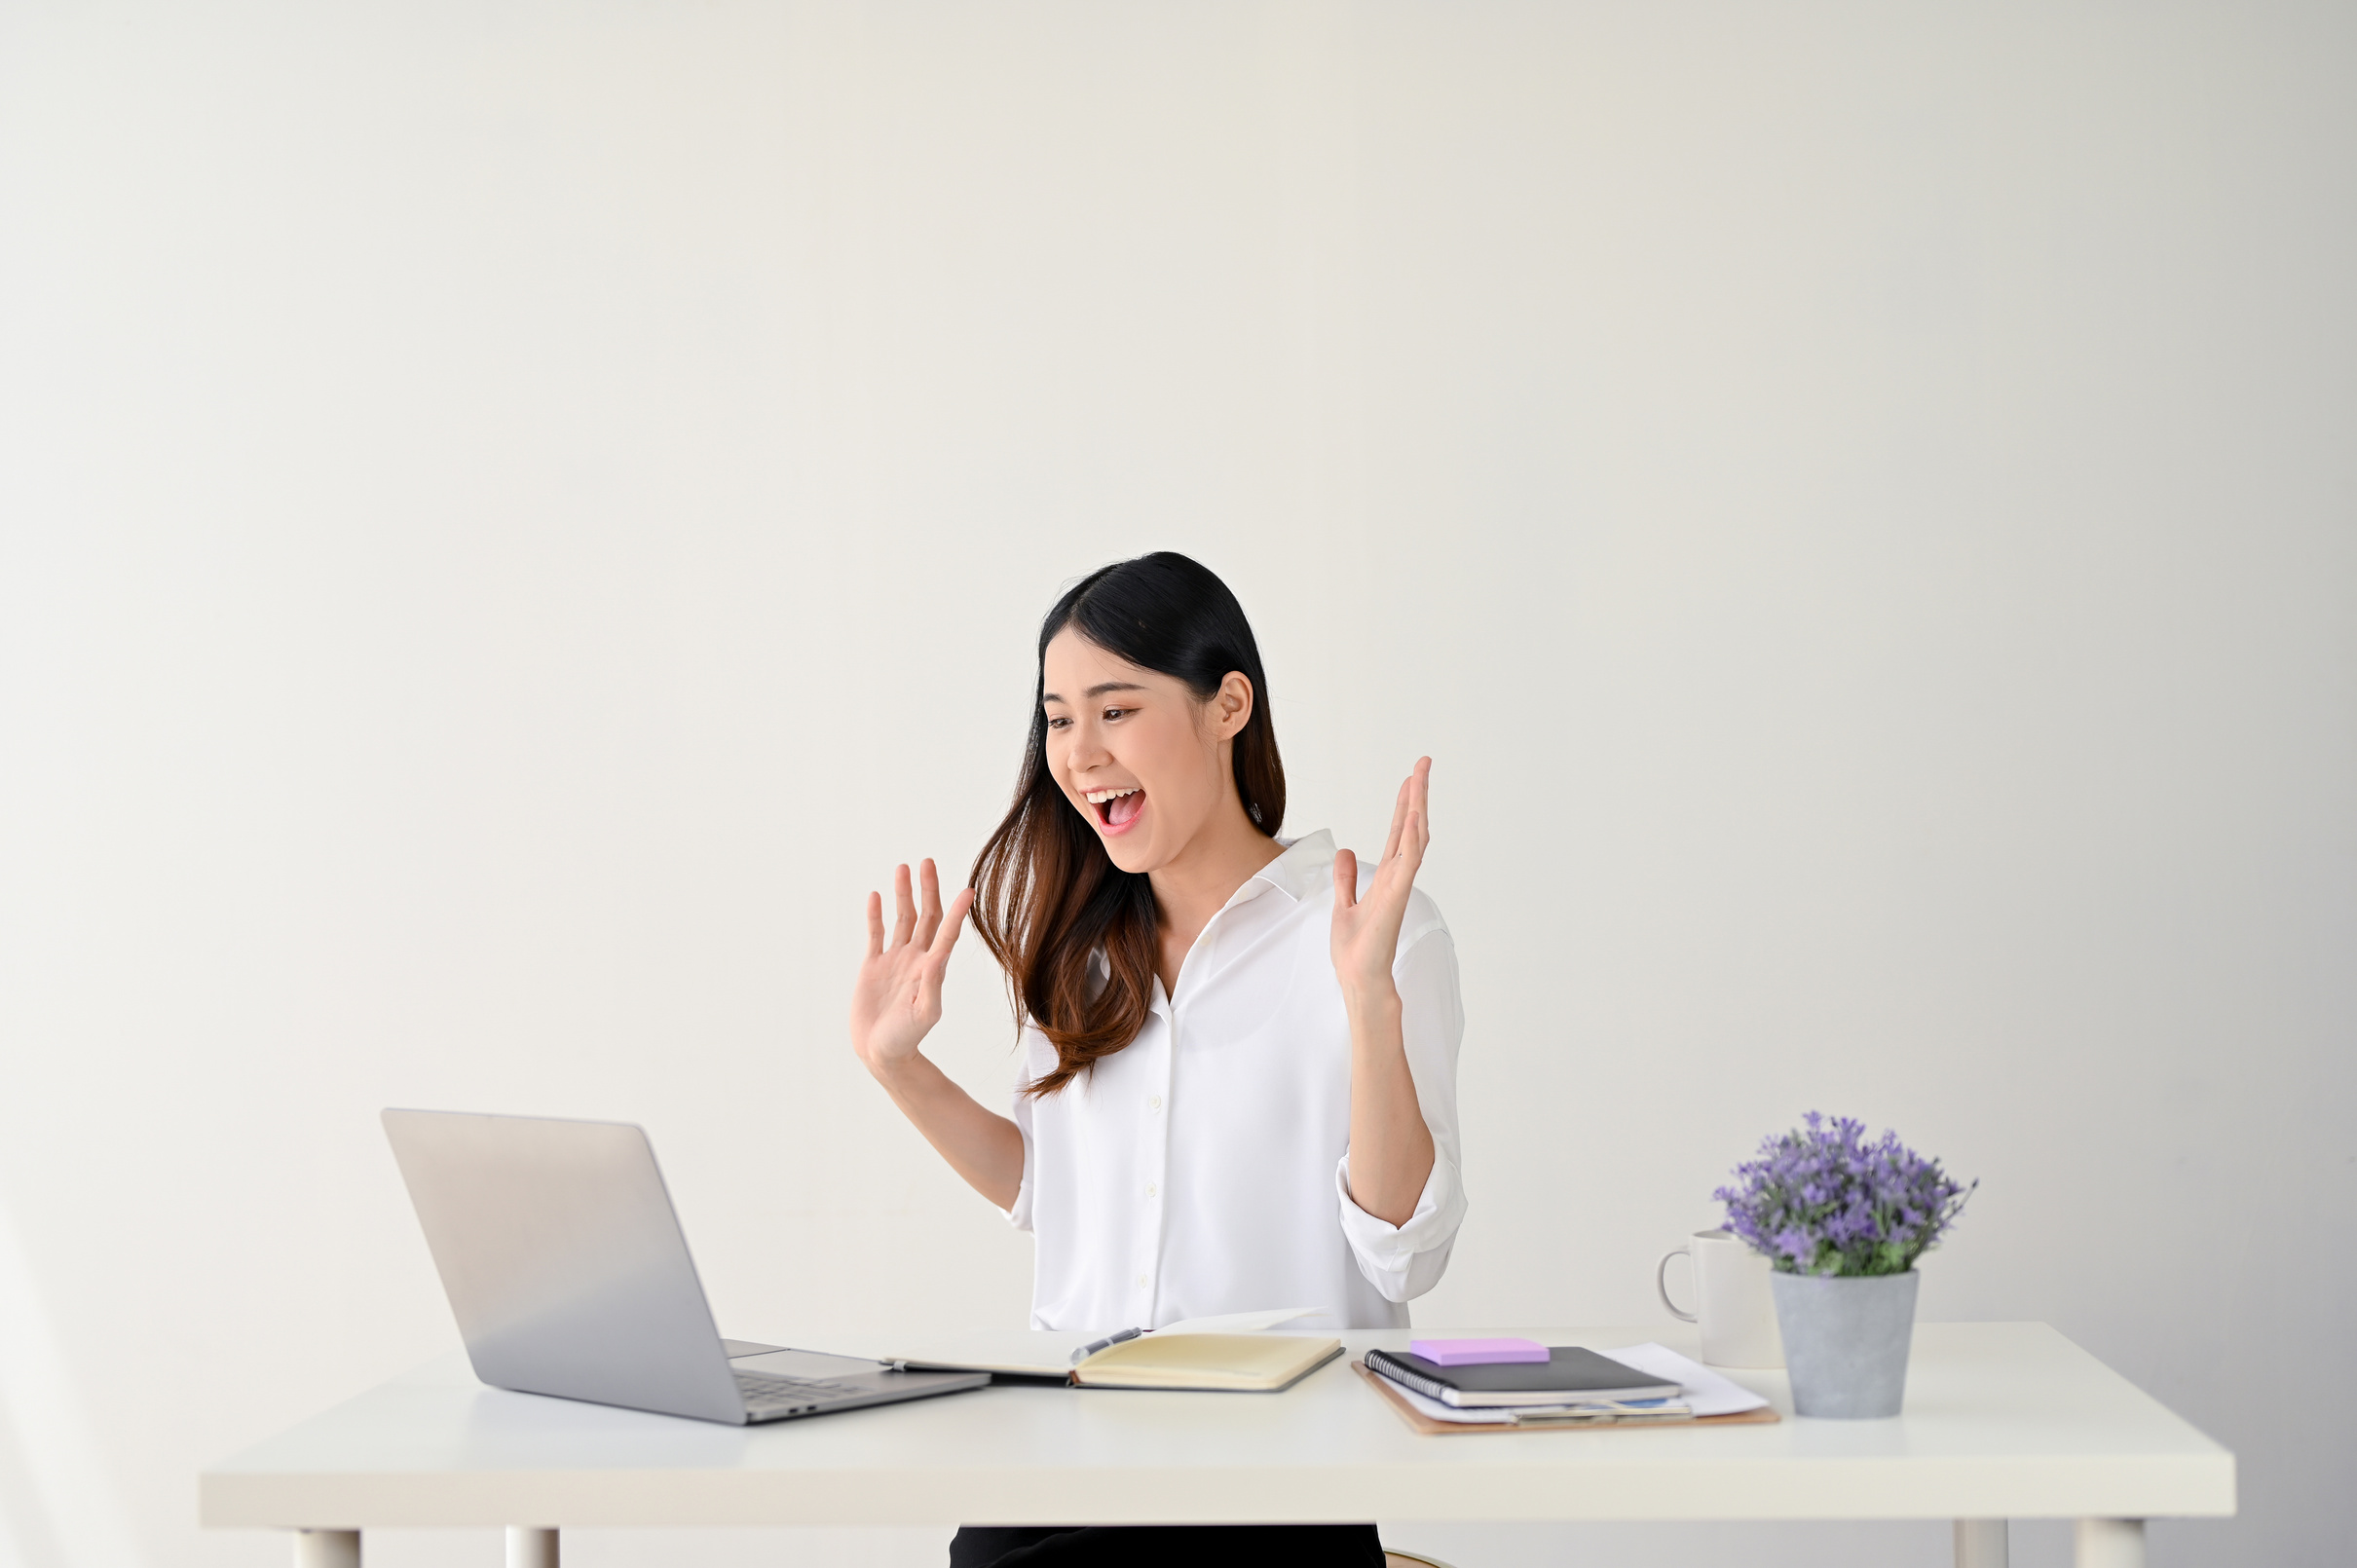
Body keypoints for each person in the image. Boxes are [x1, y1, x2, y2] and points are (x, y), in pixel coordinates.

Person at [847, 551, 1465, 1568]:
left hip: (1275, 1478)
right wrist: (896, 1065)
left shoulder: (1371, 932)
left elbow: (1405, 1247)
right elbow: (1059, 1189)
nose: (1079, 752)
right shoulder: (1083, 948)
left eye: (1115, 708)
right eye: (1056, 717)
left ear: (1227, 705)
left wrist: (1365, 999)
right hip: (1059, 1457)